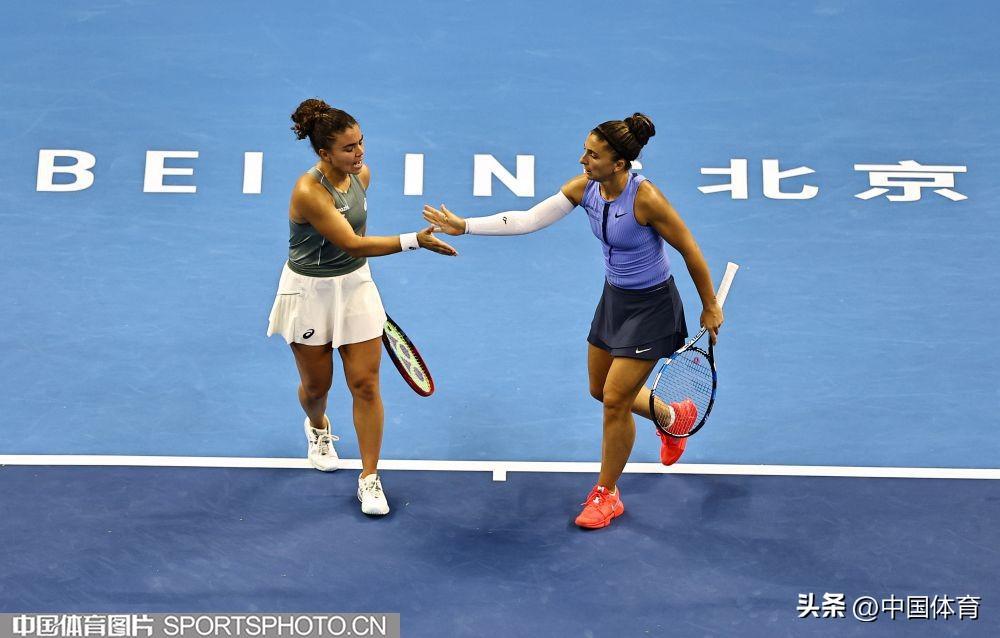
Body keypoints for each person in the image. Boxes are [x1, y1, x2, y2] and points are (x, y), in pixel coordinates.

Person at [423, 113, 723, 529]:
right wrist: (466, 226)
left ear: (620, 163)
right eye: (585, 150)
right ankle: (673, 417)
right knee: (600, 389)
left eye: (593, 155)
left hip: (653, 308)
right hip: (615, 300)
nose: (583, 159)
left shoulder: (646, 199)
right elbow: (528, 219)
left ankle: (607, 494)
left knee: (616, 400)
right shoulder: (586, 188)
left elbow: (689, 248)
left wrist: (709, 305)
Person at [268, 98, 456, 516]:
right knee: (316, 388)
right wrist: (414, 240)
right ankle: (318, 427)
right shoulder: (308, 192)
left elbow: (355, 250)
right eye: (348, 148)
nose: (360, 153)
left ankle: (369, 477)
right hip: (309, 292)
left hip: (354, 287)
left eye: (361, 142)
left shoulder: (361, 175)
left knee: (366, 385)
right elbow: (352, 243)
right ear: (324, 153)